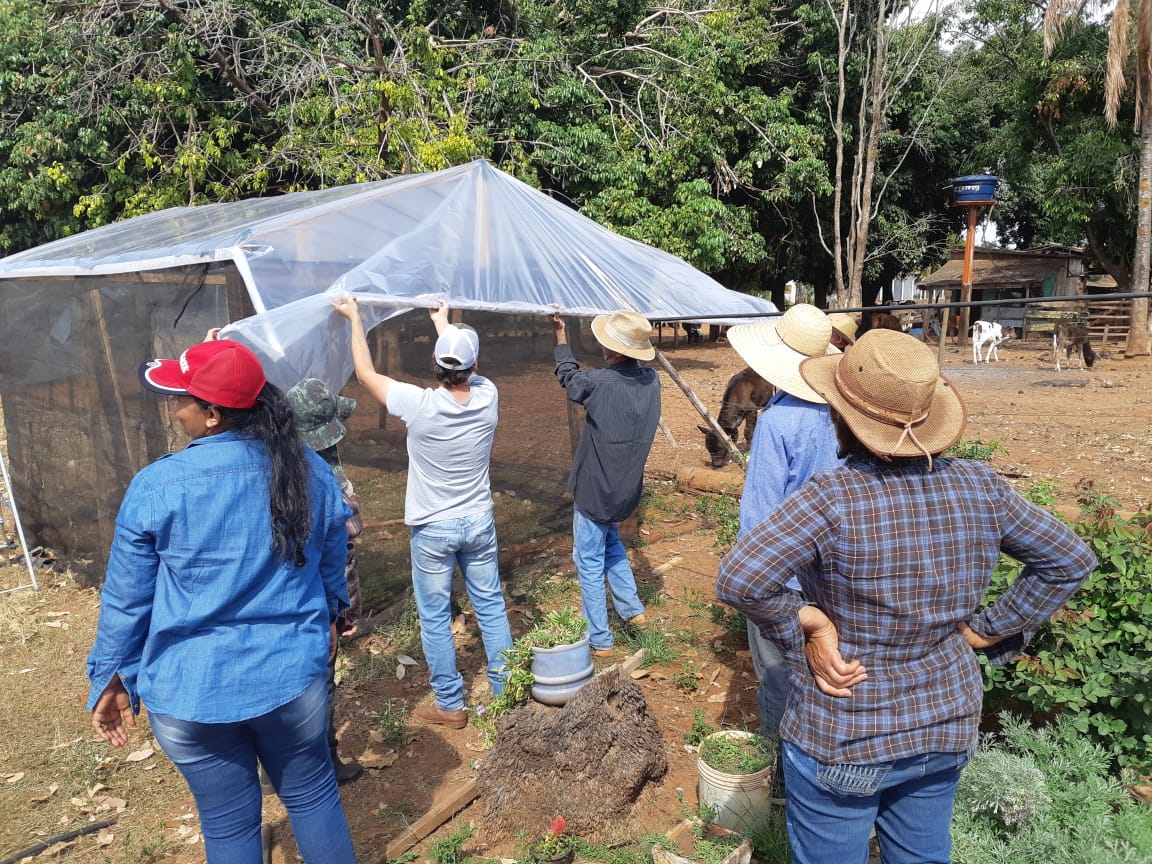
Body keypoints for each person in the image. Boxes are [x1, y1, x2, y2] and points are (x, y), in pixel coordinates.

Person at [716, 329, 1096, 864]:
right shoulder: (979, 485)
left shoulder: (831, 496)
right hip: (944, 724)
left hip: (846, 728)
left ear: (840, 416)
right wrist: (987, 629)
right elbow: (1070, 559)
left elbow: (740, 579)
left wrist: (810, 623)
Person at [86, 339, 357, 864]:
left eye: (178, 398)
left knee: (228, 824)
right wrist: (330, 611)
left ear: (211, 414)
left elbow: (126, 600)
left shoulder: (156, 486)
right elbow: (332, 551)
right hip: (292, 681)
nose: (173, 408)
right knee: (312, 795)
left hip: (190, 694)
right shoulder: (310, 470)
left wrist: (111, 678)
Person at [331, 296, 512, 729]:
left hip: (433, 529)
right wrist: (444, 324)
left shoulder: (420, 405)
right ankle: (510, 688)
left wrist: (355, 319)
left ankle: (451, 705)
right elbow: (464, 370)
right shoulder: (488, 396)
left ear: (435, 364)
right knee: (490, 605)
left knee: (434, 617)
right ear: (474, 365)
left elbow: (365, 374)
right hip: (478, 522)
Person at [725, 303, 843, 741]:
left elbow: (759, 515)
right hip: (836, 572)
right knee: (825, 667)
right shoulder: (843, 413)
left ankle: (779, 768)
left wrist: (749, 584)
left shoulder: (778, 421)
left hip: (787, 579)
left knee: (778, 674)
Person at [550, 310, 660, 656]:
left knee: (588, 560)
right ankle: (633, 611)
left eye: (606, 344)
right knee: (611, 543)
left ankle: (600, 639)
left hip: (596, 489)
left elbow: (570, 379)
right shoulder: (652, 381)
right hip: (625, 489)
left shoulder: (597, 383)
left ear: (613, 351)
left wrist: (560, 336)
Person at [286, 377, 364, 785]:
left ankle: (276, 765)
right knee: (321, 681)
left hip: (279, 599)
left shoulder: (272, 468)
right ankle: (323, 761)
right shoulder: (330, 484)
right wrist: (345, 610)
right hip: (318, 604)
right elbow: (342, 554)